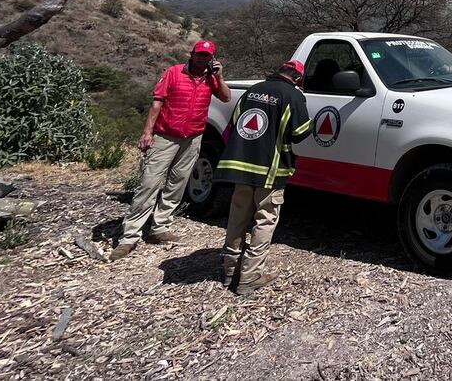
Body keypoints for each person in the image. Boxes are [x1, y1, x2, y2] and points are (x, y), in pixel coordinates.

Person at [111, 40, 232, 260]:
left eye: (206, 56)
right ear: (191, 54)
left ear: (212, 58)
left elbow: (226, 97)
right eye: (199, 54)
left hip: (193, 138)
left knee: (178, 182)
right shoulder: (174, 73)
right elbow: (157, 102)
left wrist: (220, 76)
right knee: (149, 182)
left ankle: (160, 226)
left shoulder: (211, 78)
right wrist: (147, 133)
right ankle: (129, 236)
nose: (201, 59)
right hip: (165, 136)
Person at [214, 60, 311, 296]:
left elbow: (237, 122)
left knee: (237, 218)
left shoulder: (252, 90)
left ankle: (229, 271)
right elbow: (299, 133)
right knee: (265, 220)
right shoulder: (293, 96)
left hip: (241, 167)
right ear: (297, 78)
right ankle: (249, 276)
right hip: (270, 170)